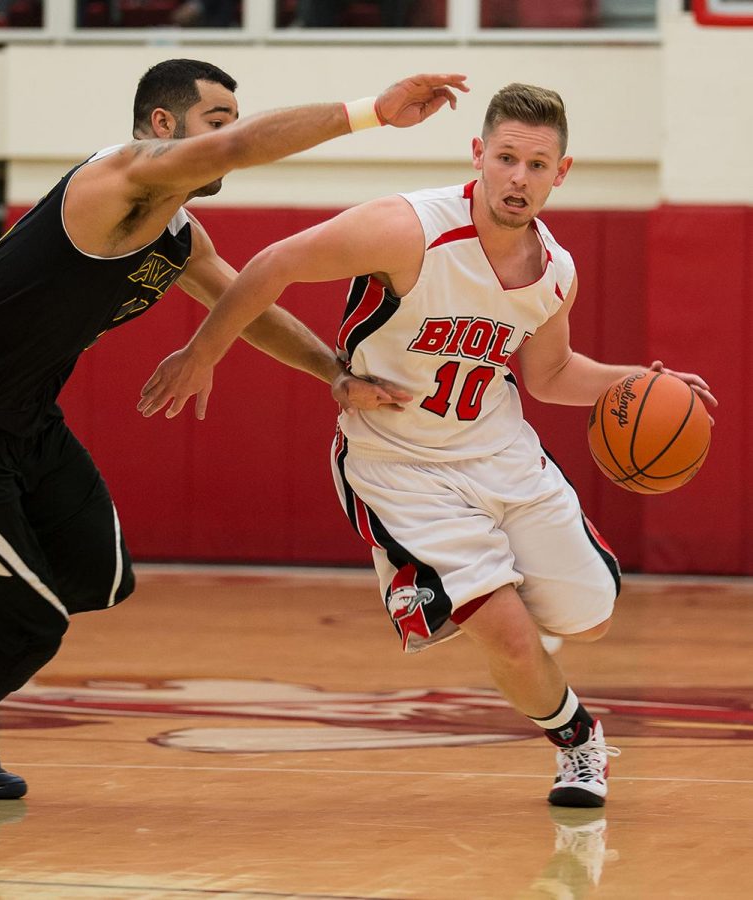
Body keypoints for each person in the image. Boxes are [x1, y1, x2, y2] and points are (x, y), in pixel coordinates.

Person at [137, 82, 717, 807]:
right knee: (504, 633)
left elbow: (552, 374)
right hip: (399, 462)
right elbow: (274, 262)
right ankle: (578, 742)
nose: (518, 178)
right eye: (506, 158)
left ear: (561, 173)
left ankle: (469, 592)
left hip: (502, 453)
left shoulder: (556, 270)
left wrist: (644, 380)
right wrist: (203, 351)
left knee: (590, 619)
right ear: (479, 154)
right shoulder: (406, 229)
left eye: (537, 166)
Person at [0, 58, 468, 799]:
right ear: (165, 126)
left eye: (236, 121)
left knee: (95, 573)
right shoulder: (119, 178)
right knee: (30, 622)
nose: (233, 137)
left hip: (26, 421)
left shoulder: (176, 233)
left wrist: (333, 375)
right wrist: (371, 110)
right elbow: (241, 152)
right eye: (219, 121)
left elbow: (250, 305)